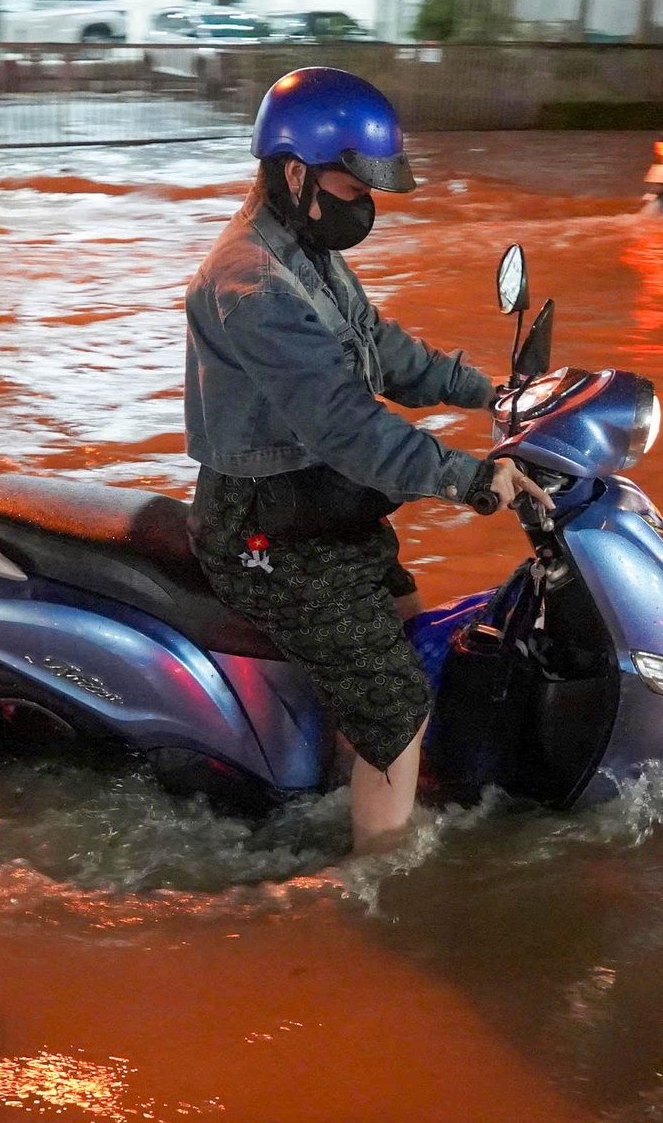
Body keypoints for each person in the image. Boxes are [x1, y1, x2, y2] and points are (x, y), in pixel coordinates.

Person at [184, 67, 551, 854]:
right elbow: (348, 427)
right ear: (295, 172)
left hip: (321, 506)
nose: (366, 203)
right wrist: (474, 477)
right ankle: (380, 880)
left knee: (411, 627)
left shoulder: (304, 249)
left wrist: (491, 392)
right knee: (398, 705)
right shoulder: (253, 284)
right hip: (270, 533)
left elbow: (380, 348)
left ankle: (358, 777)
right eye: (356, 183)